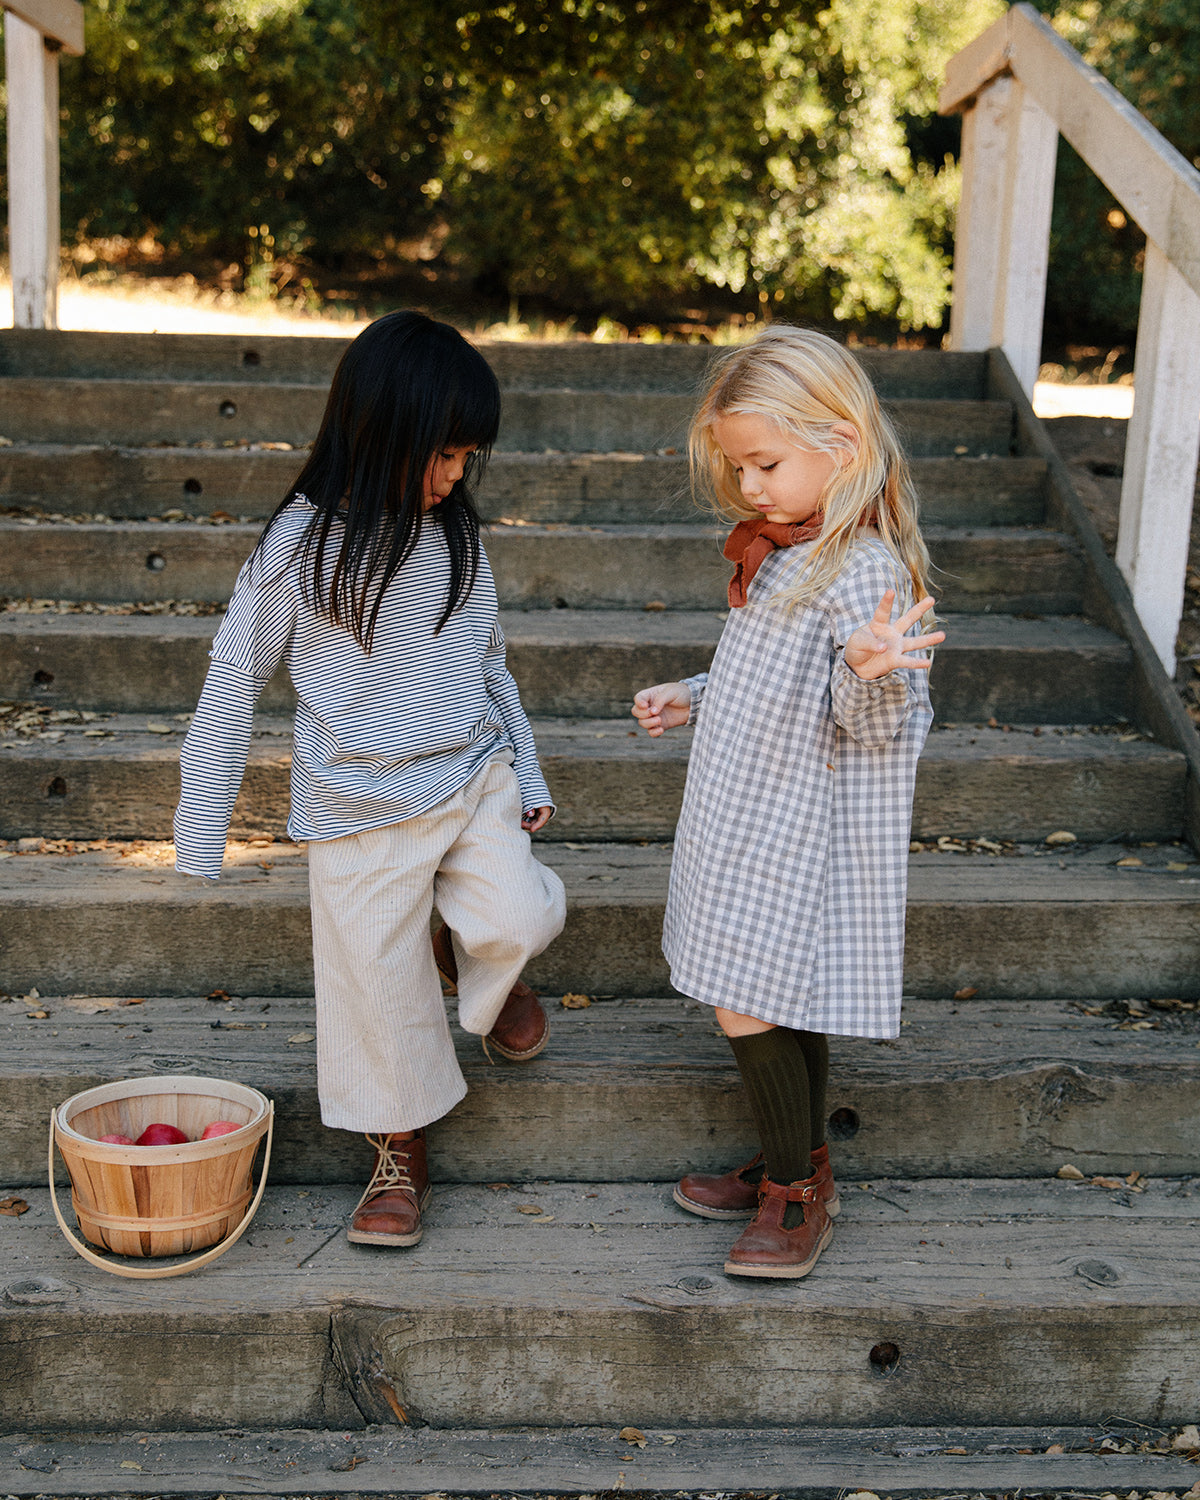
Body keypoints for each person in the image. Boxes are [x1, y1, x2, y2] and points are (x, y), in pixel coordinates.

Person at [174, 310, 566, 1249]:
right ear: (382, 432)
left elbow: (492, 664)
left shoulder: (459, 542)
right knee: (376, 991)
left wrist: (530, 764)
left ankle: (479, 959)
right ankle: (399, 1150)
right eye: (443, 455)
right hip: (353, 806)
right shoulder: (300, 548)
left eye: (468, 457)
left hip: (470, 775)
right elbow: (235, 676)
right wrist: (202, 825)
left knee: (519, 917)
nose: (455, 476)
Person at [632, 325, 944, 1279]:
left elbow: (882, 723)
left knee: (742, 997)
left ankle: (796, 1195)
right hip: (742, 808)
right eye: (740, 469)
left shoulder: (866, 571)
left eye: (766, 463)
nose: (751, 488)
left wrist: (871, 672)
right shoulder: (790, 552)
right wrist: (695, 691)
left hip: (794, 827)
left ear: (840, 446)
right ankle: (792, 1159)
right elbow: (764, 674)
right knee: (771, 993)